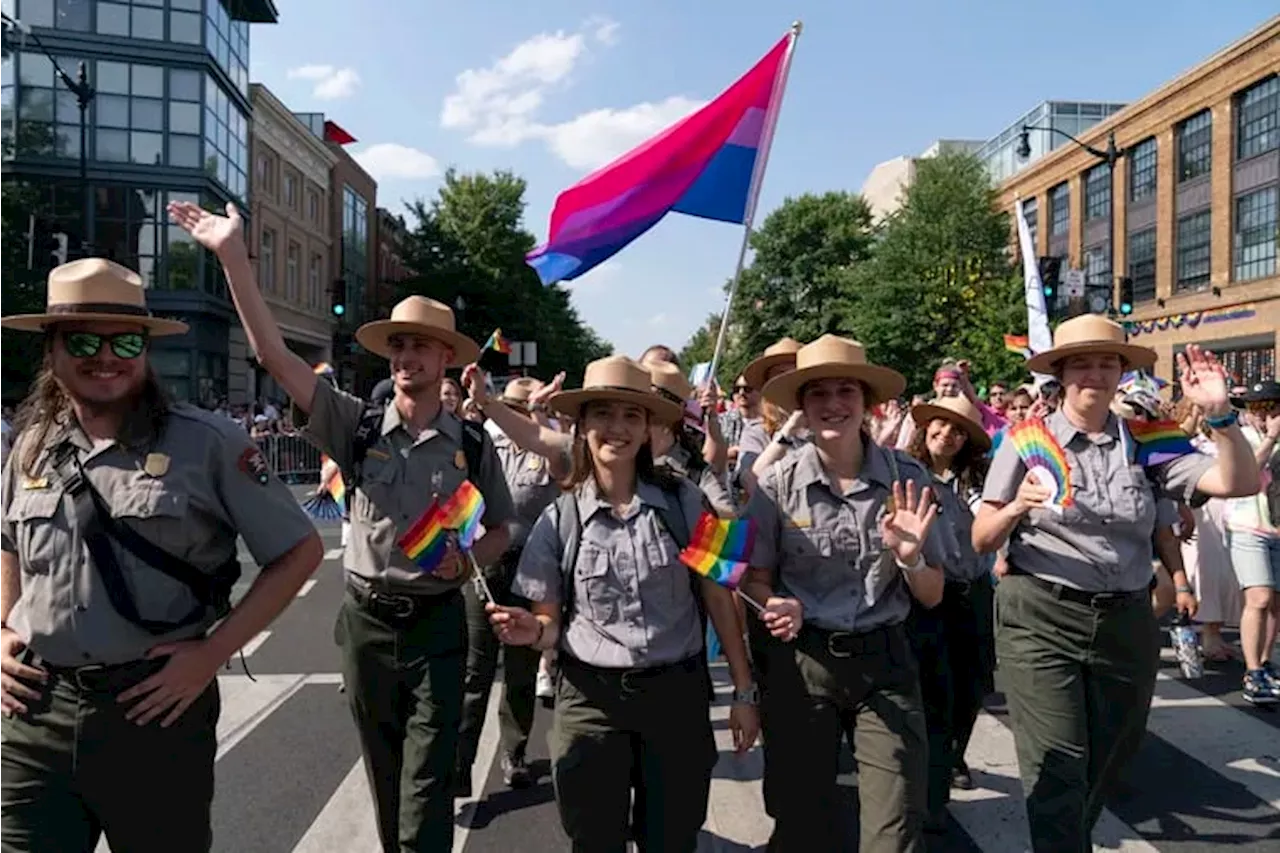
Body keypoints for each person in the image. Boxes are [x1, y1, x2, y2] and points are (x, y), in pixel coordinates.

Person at [168, 200, 516, 853]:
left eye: (420, 345)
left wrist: (466, 558)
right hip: (367, 626)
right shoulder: (354, 424)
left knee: (427, 786)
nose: (406, 355)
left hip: (438, 625)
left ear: (446, 356)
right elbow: (273, 356)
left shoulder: (470, 440)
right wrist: (233, 256)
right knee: (388, 782)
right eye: (398, 344)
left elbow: (502, 528)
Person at [0, 258, 323, 853]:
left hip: (152, 711)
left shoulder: (208, 442)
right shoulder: (32, 445)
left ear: (146, 350)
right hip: (32, 715)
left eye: (125, 339)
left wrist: (215, 651)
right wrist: (3, 628)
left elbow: (300, 551)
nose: (105, 356)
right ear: (52, 348)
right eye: (83, 340)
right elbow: (6, 544)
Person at [972, 315, 1260, 853]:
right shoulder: (1026, 439)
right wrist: (1015, 506)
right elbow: (981, 537)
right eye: (1082, 362)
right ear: (1060, 373)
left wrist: (1220, 414)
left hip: (1126, 618)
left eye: (1108, 363)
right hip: (1041, 612)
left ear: (1121, 373)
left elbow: (1238, 481)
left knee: (1113, 751)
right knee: (1058, 763)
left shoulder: (1150, 441)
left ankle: (1069, 837)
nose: (1095, 374)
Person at [488, 355, 759, 853]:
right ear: (583, 424)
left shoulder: (688, 501)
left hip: (675, 700)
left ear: (649, 426)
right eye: (604, 414)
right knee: (594, 841)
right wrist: (535, 631)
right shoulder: (558, 518)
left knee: (672, 839)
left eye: (632, 415)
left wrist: (744, 692)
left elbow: (722, 597)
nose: (618, 428)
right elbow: (550, 623)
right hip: (590, 702)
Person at [740, 334, 950, 853]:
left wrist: (911, 558)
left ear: (866, 404)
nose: (833, 405)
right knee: (800, 820)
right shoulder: (775, 486)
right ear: (802, 408)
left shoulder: (909, 479)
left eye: (845, 392)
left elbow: (932, 594)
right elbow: (751, 578)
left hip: (886, 663)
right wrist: (774, 604)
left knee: (896, 824)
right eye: (818, 395)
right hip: (804, 667)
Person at [454, 377, 562, 795]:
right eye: (513, 406)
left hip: (531, 571)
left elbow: (559, 464)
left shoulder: (549, 449)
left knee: (519, 671)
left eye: (524, 408)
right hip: (486, 566)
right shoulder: (485, 447)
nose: (515, 414)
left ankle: (514, 753)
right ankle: (460, 762)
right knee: (474, 670)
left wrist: (539, 416)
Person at [903, 395, 993, 814]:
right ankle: (932, 778)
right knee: (935, 688)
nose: (947, 435)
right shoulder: (908, 475)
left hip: (974, 590)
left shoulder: (979, 480)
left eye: (958, 430)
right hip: (929, 595)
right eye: (940, 425)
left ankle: (956, 751)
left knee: (974, 684)